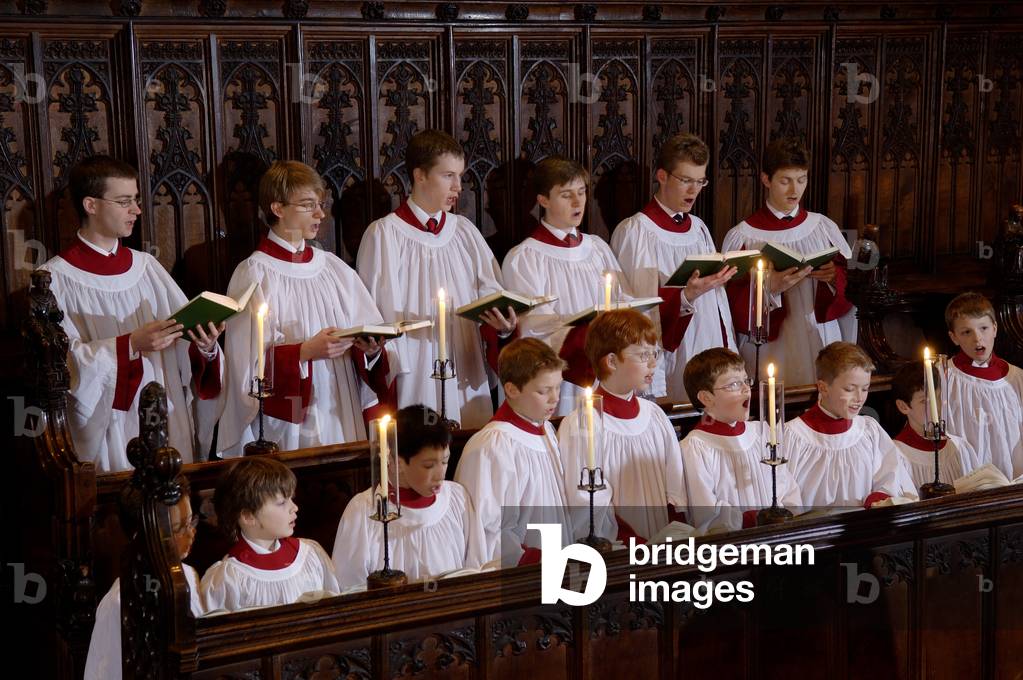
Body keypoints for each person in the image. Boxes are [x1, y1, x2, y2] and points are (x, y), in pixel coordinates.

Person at [39, 155, 224, 471]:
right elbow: (61, 369)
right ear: (91, 205)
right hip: (111, 425)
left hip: (166, 415)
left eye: (136, 200)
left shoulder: (147, 268)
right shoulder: (54, 280)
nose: (137, 210)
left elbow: (180, 340)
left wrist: (204, 347)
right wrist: (129, 346)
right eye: (124, 201)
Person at [219, 160, 396, 455]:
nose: (320, 214)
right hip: (291, 417)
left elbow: (369, 330)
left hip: (341, 406)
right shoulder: (254, 272)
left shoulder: (333, 268)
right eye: (307, 205)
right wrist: (303, 352)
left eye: (321, 204)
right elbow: (244, 366)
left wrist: (371, 348)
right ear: (277, 208)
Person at [357, 130, 516, 428]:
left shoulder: (465, 231)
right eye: (448, 176)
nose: (458, 186)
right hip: (414, 370)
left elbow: (492, 296)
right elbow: (373, 313)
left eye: (460, 176)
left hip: (466, 368)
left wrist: (503, 327)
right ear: (420, 175)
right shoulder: (384, 234)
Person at [502, 156, 636, 413]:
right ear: (543, 200)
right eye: (566, 195)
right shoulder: (525, 258)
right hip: (562, 381)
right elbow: (535, 329)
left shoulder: (598, 247)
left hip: (609, 370)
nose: (578, 202)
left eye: (582, 192)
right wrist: (593, 336)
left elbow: (623, 300)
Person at [611, 134, 737, 400]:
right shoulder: (637, 231)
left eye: (700, 181)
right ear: (662, 176)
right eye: (686, 180)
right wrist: (685, 296)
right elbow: (635, 309)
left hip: (708, 339)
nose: (694, 190)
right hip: (670, 352)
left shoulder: (699, 228)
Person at [722, 137, 856, 387]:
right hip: (772, 343)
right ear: (766, 180)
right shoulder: (743, 237)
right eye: (785, 181)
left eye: (801, 180)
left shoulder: (823, 228)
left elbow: (853, 286)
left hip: (819, 333)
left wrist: (833, 277)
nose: (795, 190)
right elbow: (727, 304)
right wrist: (768, 288)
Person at [455, 339, 598, 565]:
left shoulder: (547, 429)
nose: (555, 398)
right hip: (524, 576)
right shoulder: (492, 446)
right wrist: (537, 560)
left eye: (558, 387)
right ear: (511, 389)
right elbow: (489, 530)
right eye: (544, 391)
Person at [558, 310, 685, 541]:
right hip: (620, 551)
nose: (653, 363)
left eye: (654, 353)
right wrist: (637, 544)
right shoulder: (582, 425)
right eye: (643, 355)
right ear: (612, 361)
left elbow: (675, 486)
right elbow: (587, 504)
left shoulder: (655, 416)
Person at [332, 405, 486, 588]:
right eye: (429, 465)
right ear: (397, 462)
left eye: (445, 461)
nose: (440, 475)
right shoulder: (363, 511)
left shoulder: (457, 500)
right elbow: (349, 586)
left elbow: (477, 569)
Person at [84, 476, 204, 680]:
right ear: (143, 536)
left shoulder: (189, 575)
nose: (191, 533)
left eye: (191, 521)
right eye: (178, 528)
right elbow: (106, 672)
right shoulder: (119, 602)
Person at [679, 348, 802, 533]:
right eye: (734, 384)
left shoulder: (762, 433)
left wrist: (786, 515)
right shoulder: (695, 448)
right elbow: (705, 512)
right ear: (706, 398)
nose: (746, 389)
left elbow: (788, 489)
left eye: (746, 380)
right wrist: (753, 520)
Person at [784, 342, 915, 508]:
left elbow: (892, 478)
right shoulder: (793, 437)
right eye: (849, 389)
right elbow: (783, 495)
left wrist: (880, 499)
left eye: (865, 389)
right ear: (823, 388)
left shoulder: (869, 431)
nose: (859, 398)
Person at [201, 457, 339, 610]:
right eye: (281, 503)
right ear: (248, 516)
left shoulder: (309, 555)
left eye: (291, 498)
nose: (294, 508)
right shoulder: (228, 578)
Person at [943, 292, 1023, 478]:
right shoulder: (943, 376)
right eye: (966, 332)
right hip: (964, 478)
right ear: (954, 337)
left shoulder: (1016, 379)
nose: (977, 339)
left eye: (984, 328)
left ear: (995, 328)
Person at [891, 360, 977, 490]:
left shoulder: (959, 447)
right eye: (924, 401)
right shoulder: (896, 454)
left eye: (938, 397)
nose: (935, 406)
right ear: (903, 406)